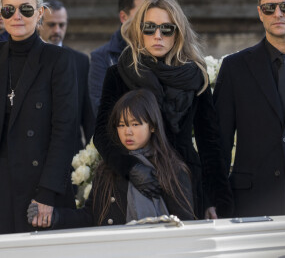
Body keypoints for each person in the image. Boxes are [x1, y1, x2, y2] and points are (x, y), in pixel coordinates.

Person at [93, 0, 233, 219]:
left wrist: (214, 199)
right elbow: (101, 133)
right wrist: (130, 168)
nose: (157, 35)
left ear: (178, 33)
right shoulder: (119, 73)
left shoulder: (196, 76)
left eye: (166, 29)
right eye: (150, 27)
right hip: (134, 180)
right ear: (139, 30)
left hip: (185, 183)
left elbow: (210, 143)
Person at [28, 89, 195, 228]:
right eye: (121, 125)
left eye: (135, 124)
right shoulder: (108, 169)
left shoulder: (172, 170)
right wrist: (53, 216)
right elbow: (90, 216)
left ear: (152, 125)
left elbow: (184, 225)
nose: (127, 132)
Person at [213, 0, 285, 217]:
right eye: (269, 8)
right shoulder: (234, 68)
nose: (278, 14)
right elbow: (219, 142)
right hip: (251, 204)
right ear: (260, 13)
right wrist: (215, 200)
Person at [0, 0, 77, 234]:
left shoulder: (59, 60)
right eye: (8, 10)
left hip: (40, 192)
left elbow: (65, 132)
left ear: (40, 12)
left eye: (26, 9)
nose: (16, 16)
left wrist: (46, 194)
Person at [38, 0, 94, 153]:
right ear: (39, 23)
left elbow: (88, 115)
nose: (57, 30)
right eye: (51, 25)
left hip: (71, 153)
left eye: (62, 25)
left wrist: (92, 158)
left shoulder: (81, 61)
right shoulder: (28, 58)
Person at [89, 0, 151, 117]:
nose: (148, 22)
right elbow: (102, 109)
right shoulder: (102, 57)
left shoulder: (163, 50)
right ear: (123, 17)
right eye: (141, 15)